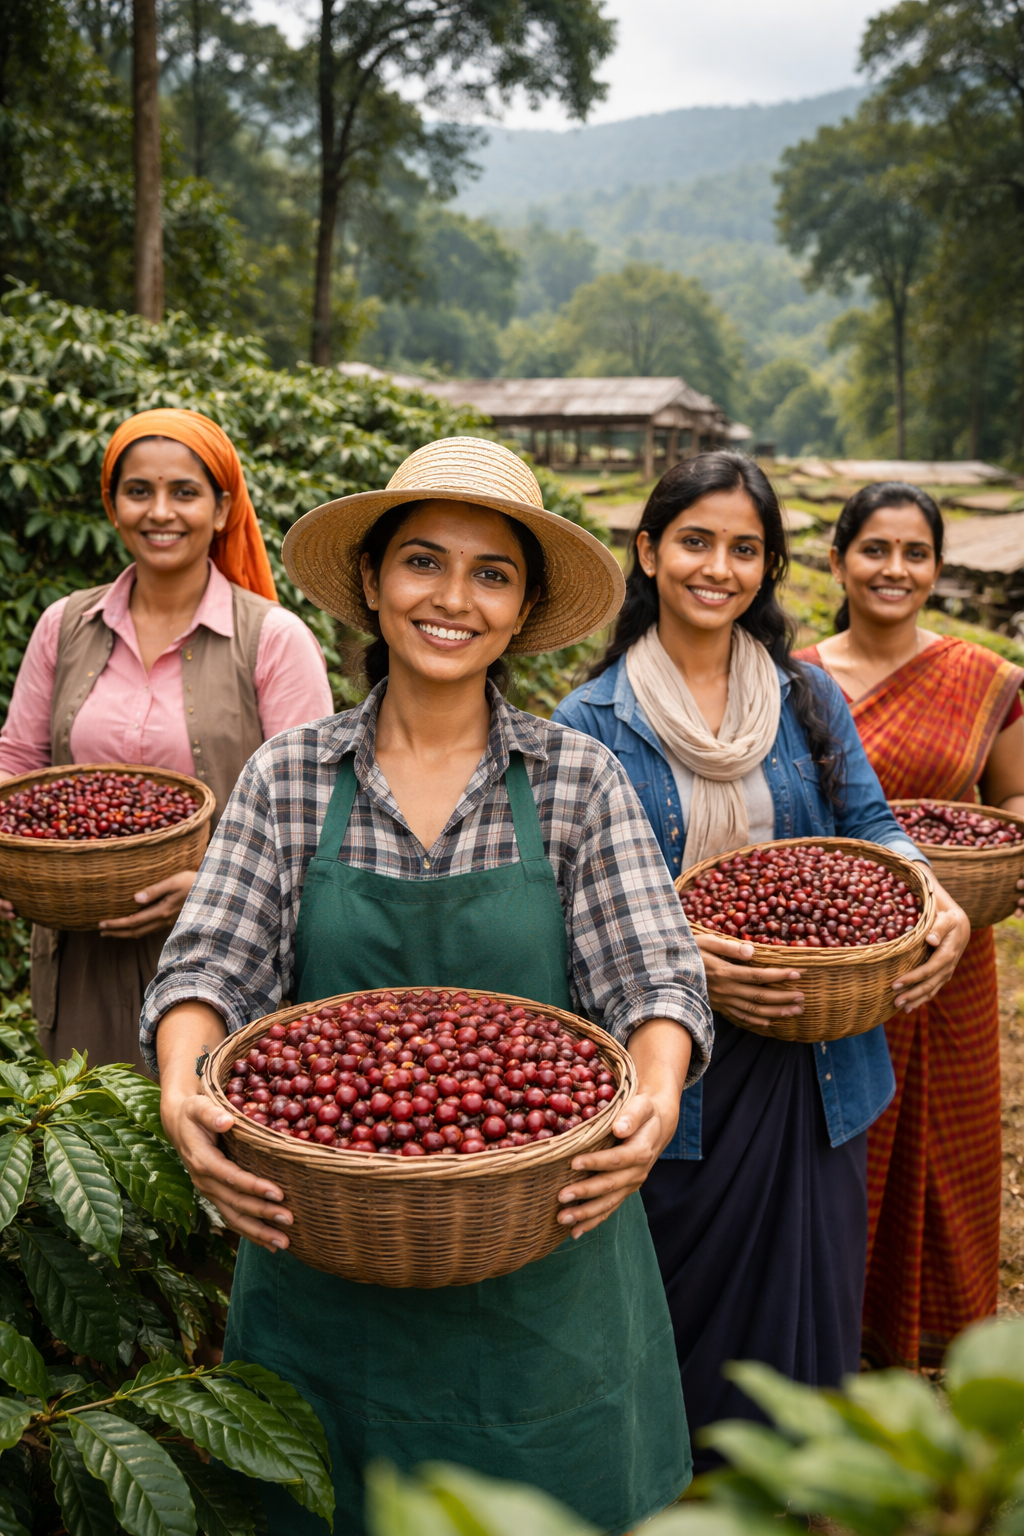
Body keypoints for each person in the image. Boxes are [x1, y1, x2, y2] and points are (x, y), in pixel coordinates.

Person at [144, 437, 713, 1535]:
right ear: (371, 581)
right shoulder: (291, 776)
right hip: (325, 1248)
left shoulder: (576, 779)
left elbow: (653, 977)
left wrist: (652, 1095)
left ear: (522, 609)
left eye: (491, 573)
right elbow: (210, 964)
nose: (453, 599)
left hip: (543, 1252)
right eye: (422, 562)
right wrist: (182, 1088)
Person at [553, 452, 969, 1463]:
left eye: (745, 549)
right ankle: (683, 1491)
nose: (718, 568)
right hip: (682, 1071)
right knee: (682, 1309)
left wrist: (932, 892)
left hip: (815, 1055)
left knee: (807, 1301)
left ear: (770, 567)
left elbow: (871, 826)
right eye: (695, 541)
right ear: (648, 550)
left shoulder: (805, 697)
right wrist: (684, 955)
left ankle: (798, 1491)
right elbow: (575, 903)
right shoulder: (590, 722)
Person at [0, 408, 333, 1072]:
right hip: (79, 947)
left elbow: (313, 815)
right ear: (112, 504)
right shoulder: (64, 625)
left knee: (206, 1120)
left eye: (184, 492)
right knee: (87, 1119)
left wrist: (212, 884)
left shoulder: (272, 639)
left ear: (222, 508)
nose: (160, 512)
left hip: (224, 955)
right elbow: (18, 764)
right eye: (138, 491)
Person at [795, 481, 1024, 1369]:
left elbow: (1010, 797)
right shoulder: (792, 678)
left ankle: (934, 1332)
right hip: (831, 952)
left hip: (950, 950)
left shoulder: (982, 678)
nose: (894, 569)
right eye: (875, 549)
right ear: (838, 561)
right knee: (843, 1141)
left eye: (915, 553)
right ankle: (835, 1327)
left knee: (946, 1147)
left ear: (935, 567)